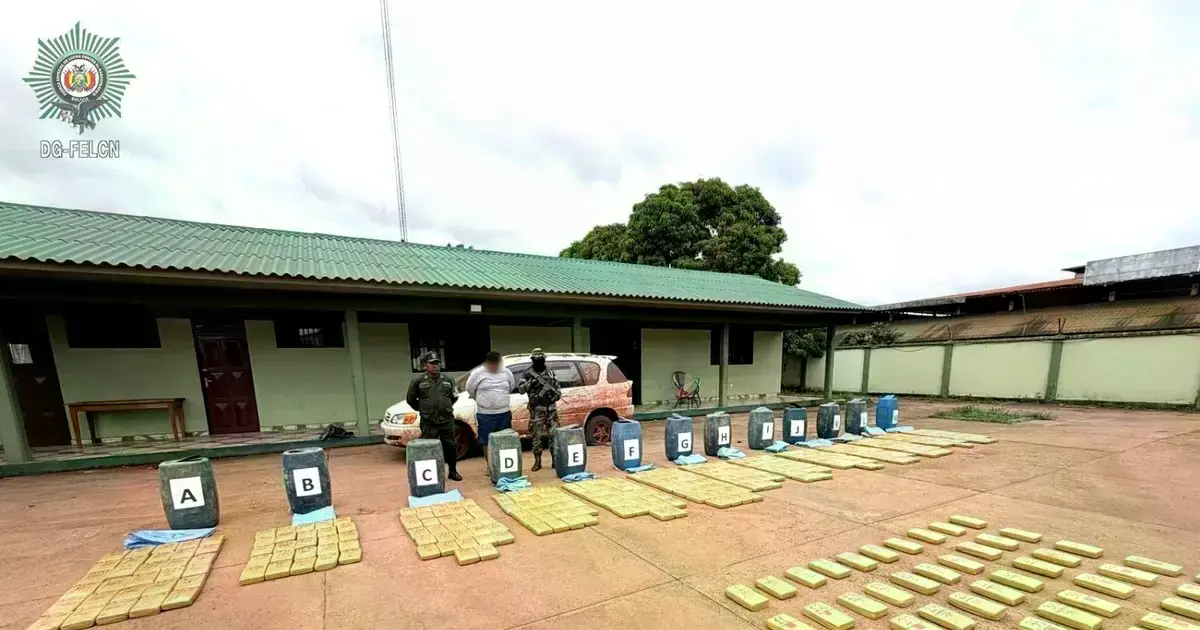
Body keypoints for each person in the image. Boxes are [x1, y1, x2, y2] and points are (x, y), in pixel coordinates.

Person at [406, 351, 461, 481]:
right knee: (428, 448)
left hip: (446, 420)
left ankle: (453, 471)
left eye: (437, 363)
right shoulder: (418, 381)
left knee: (451, 447)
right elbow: (411, 399)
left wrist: (444, 407)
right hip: (429, 422)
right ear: (425, 365)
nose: (435, 366)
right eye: (432, 364)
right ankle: (430, 475)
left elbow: (454, 397)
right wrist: (424, 409)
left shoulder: (448, 380)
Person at [465, 351, 515, 477]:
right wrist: (483, 401)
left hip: (503, 413)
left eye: (496, 364)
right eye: (491, 364)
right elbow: (470, 389)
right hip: (486, 414)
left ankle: (504, 465)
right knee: (486, 441)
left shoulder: (506, 372)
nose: (494, 366)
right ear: (487, 363)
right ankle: (490, 467)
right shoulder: (477, 373)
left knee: (505, 440)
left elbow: (511, 386)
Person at [518, 348, 561, 471]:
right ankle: (537, 461)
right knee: (536, 437)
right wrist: (531, 383)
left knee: (554, 436)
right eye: (536, 360)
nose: (539, 362)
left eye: (541, 359)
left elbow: (558, 391)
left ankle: (555, 460)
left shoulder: (551, 373)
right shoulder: (527, 373)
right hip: (537, 410)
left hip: (551, 410)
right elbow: (521, 390)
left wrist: (554, 395)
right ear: (532, 360)